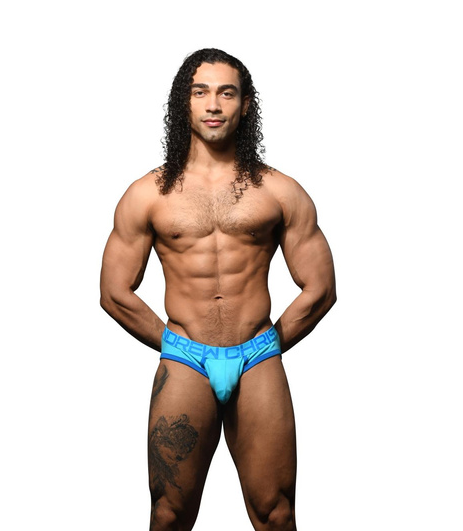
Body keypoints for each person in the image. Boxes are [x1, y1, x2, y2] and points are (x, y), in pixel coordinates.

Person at [100, 48, 336, 531]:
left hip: (257, 358)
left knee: (276, 513)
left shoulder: (279, 191)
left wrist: (266, 345)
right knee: (168, 515)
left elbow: (321, 288)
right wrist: (176, 344)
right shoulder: (147, 193)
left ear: (245, 105)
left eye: (227, 93)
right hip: (185, 359)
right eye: (200, 92)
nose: (213, 104)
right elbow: (114, 291)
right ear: (183, 103)